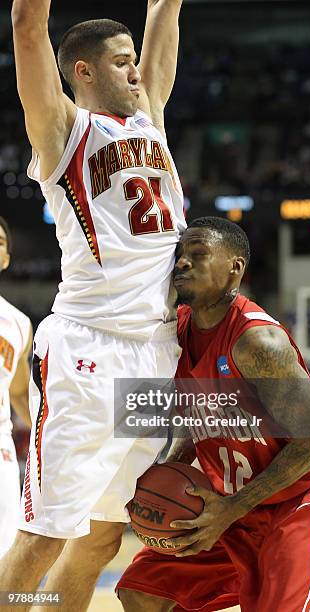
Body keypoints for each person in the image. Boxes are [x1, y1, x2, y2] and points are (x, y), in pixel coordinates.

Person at [1, 1, 185, 610]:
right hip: (89, 346)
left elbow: (165, 13)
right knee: (44, 538)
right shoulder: (63, 132)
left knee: (104, 536)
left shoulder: (150, 119)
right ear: (82, 71)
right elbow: (28, 25)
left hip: (156, 351)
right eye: (120, 62)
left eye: (136, 62)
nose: (136, 72)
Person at [117, 217, 310, 612]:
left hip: (304, 496)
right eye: (180, 256)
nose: (182, 264)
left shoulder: (257, 342)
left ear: (235, 268)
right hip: (234, 501)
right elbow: (200, 419)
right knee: (143, 590)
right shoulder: (174, 335)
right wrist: (171, 470)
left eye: (197, 255)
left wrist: (231, 509)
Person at [0, 216, 32, 558]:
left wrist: (46, 439)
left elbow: (20, 393)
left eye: (0, 242)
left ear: (6, 258)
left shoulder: (19, 323)